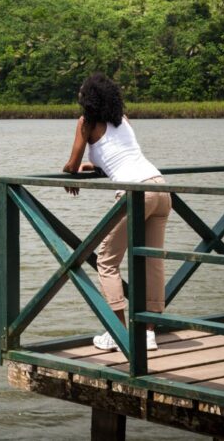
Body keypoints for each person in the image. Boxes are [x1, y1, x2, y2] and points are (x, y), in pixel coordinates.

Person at [62, 73, 170, 352]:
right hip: (160, 186)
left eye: (81, 91)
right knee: (151, 260)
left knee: (106, 261)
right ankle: (148, 333)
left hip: (136, 193)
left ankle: (116, 332)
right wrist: (95, 166)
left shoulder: (86, 123)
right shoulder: (122, 118)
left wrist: (73, 171)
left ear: (88, 98)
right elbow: (121, 155)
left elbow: (70, 165)